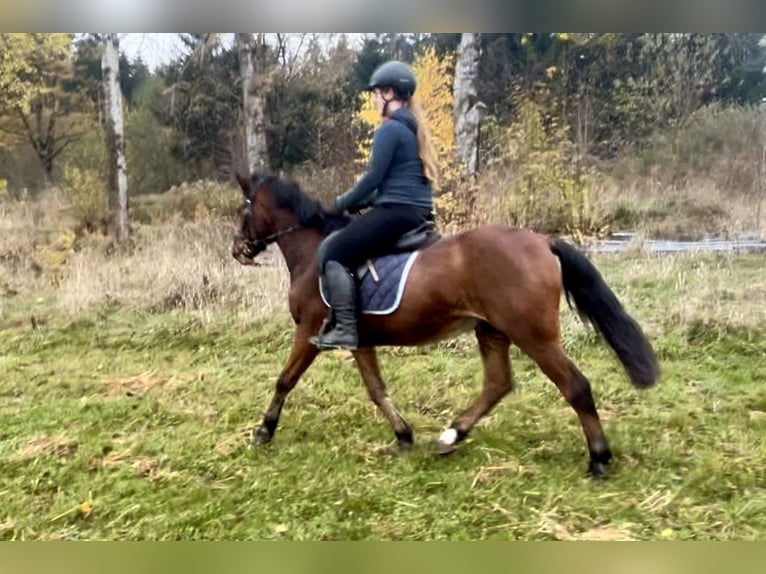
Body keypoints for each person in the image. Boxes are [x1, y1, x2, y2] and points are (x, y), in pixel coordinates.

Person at [311, 60, 440, 351]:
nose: (374, 99)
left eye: (376, 93)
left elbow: (373, 178)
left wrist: (342, 203)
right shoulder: (413, 127)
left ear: (390, 93)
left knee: (334, 252)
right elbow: (392, 184)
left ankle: (345, 329)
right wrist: (366, 202)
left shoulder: (390, 130)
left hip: (397, 213)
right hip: (413, 212)